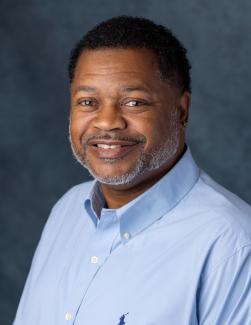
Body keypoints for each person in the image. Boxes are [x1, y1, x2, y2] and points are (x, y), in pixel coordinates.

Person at [14, 16, 251, 325]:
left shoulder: (232, 246)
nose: (107, 121)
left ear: (181, 111)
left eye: (134, 102)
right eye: (88, 102)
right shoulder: (66, 211)